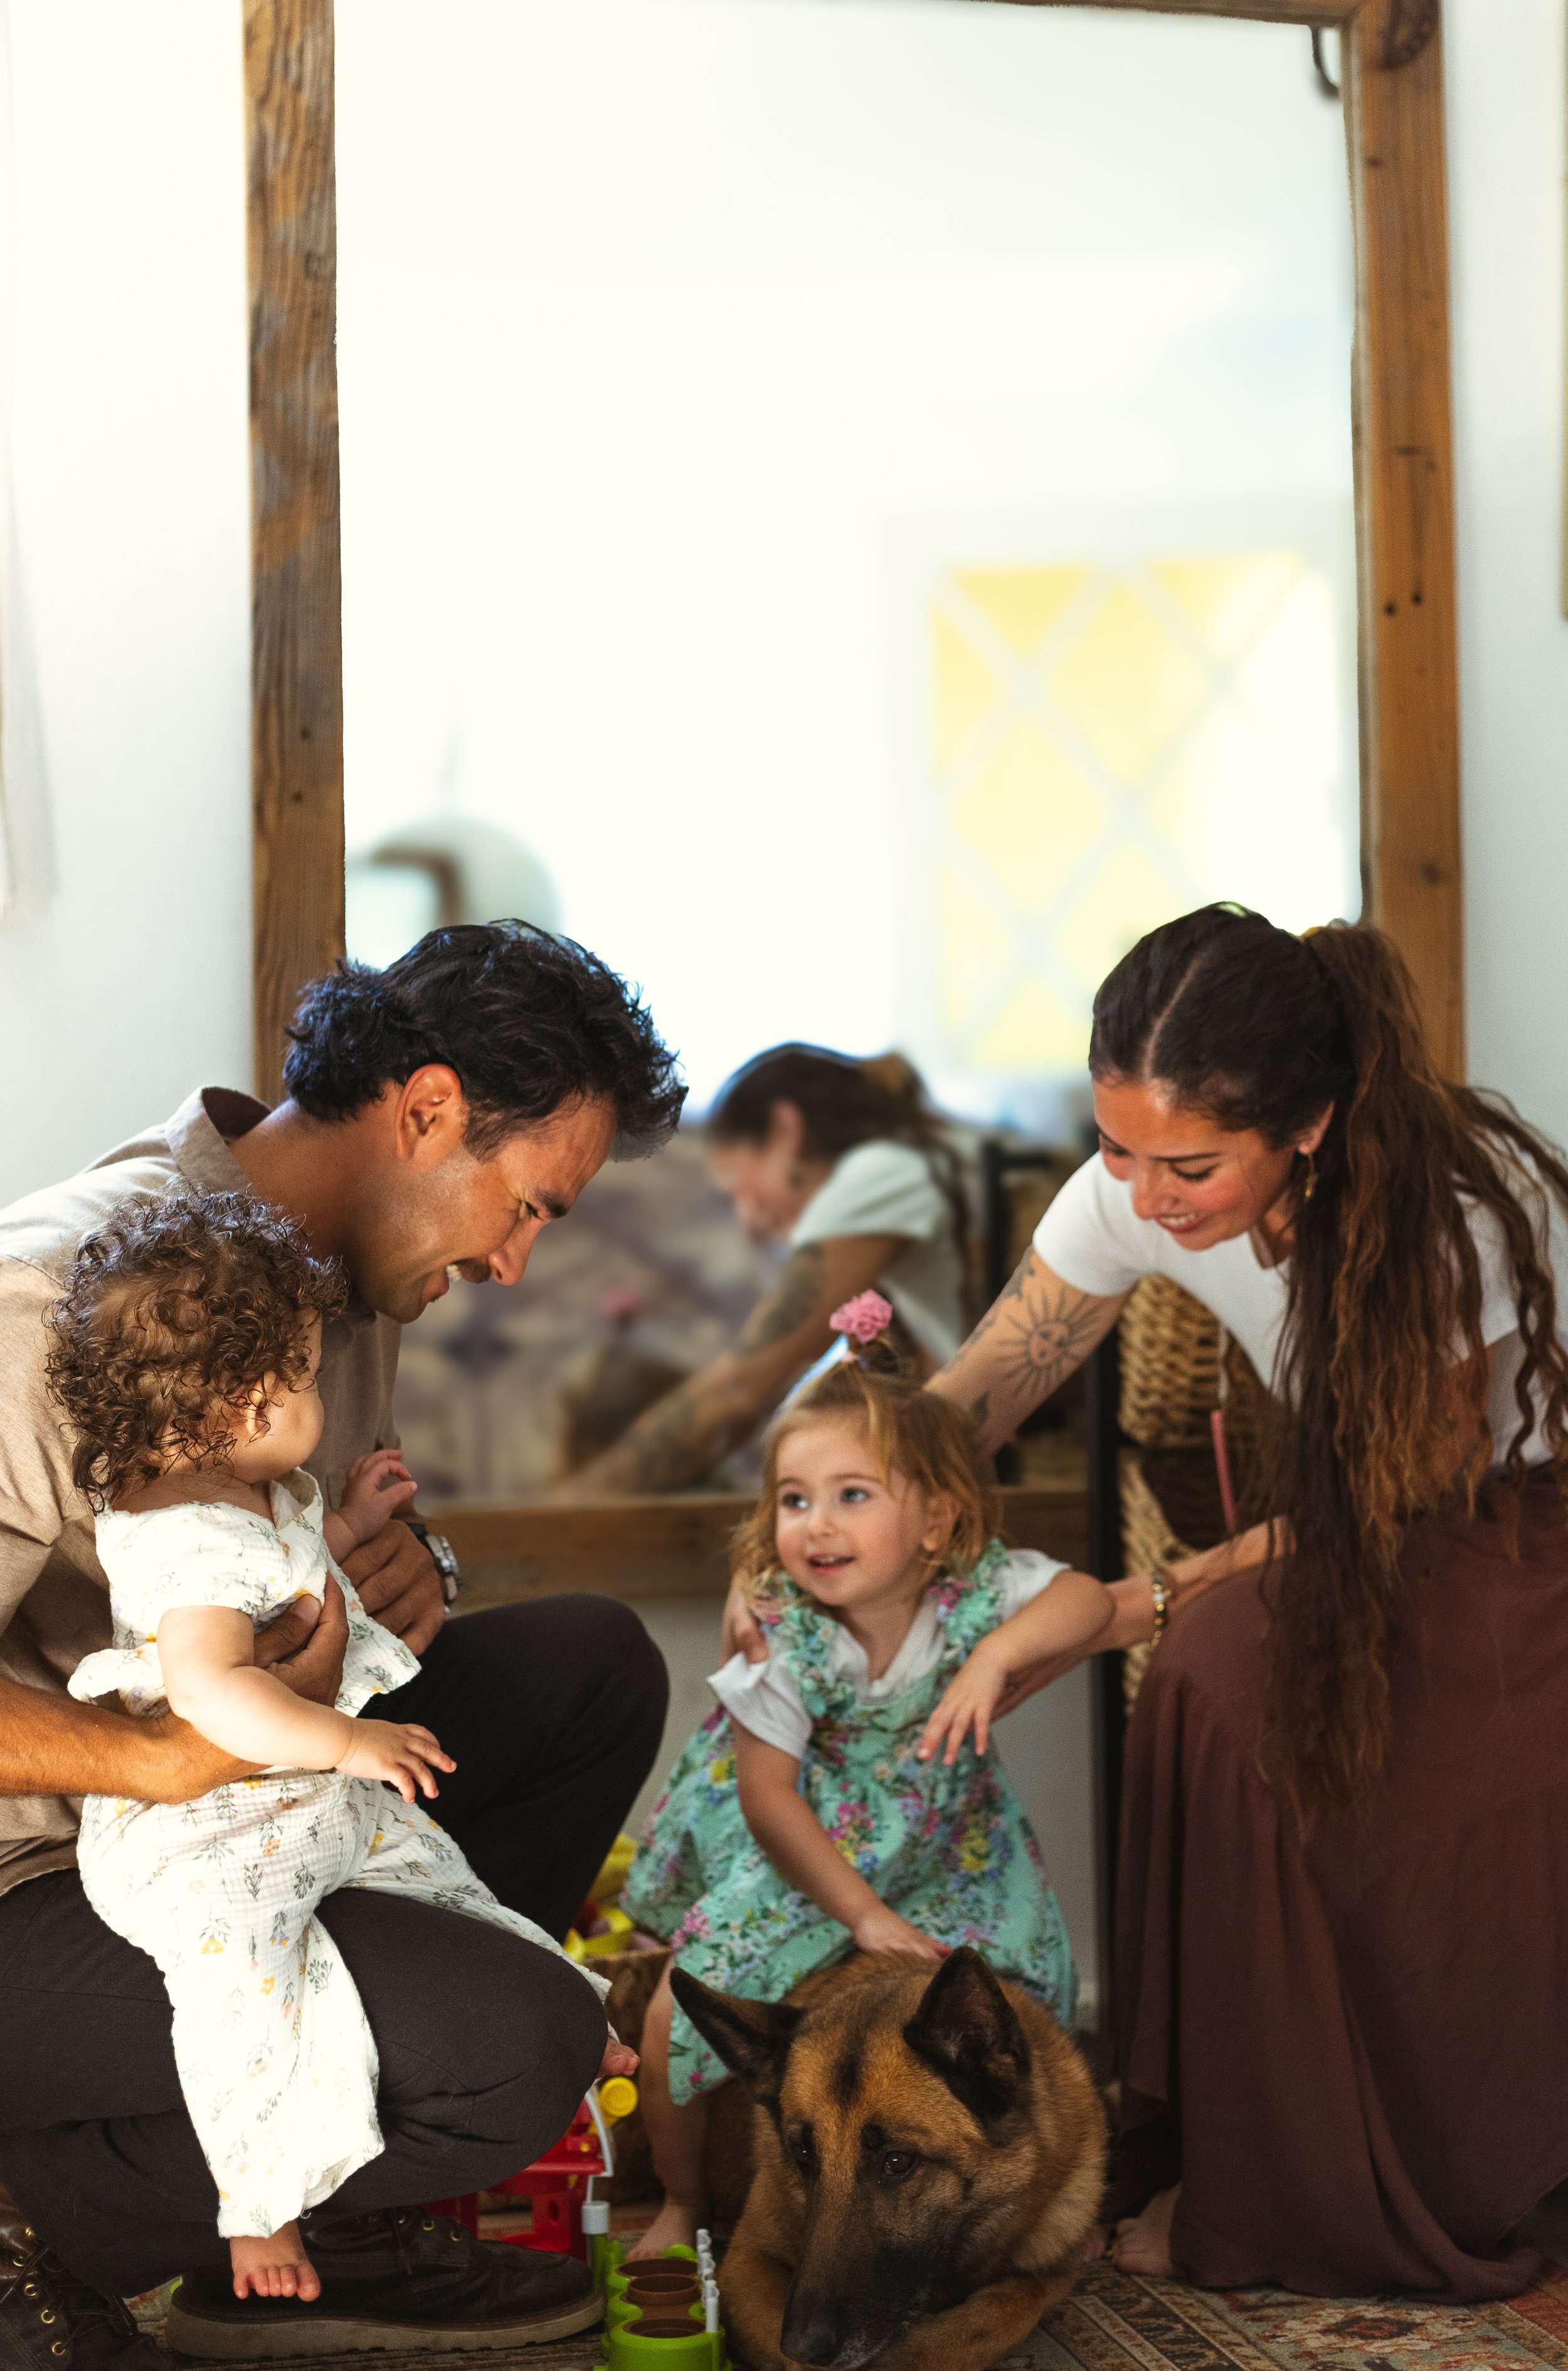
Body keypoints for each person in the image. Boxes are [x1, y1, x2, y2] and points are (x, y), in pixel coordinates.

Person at [0, 921, 681, 2365]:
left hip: (251, 1796)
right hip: (50, 1869)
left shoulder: (343, 1276)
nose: (513, 1263)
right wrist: (164, 1756)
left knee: (591, 1669)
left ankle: (324, 2192)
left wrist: (411, 1571)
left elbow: (297, 1548)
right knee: (517, 2049)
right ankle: (38, 2209)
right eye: (528, 1207)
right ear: (426, 1110)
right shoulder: (58, 1294)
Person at [912, 902, 1568, 2303]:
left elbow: (1389, 1501)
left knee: (1213, 1669)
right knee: (1210, 1672)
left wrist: (1120, 1607)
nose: (1145, 1197)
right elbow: (980, 1393)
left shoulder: (1447, 1216)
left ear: (1308, 1126)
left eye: (1189, 1167)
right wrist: (825, 1526)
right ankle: (1220, 2145)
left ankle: (1295, 2192)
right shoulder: (1138, 1183)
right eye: (1116, 1150)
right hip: (1370, 1533)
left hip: (1515, 1537)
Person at [47, 1192, 635, 2306]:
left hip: (299, 1802)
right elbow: (214, 1691)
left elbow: (296, 1567)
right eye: (310, 1378)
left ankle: (571, 2004)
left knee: (441, 1876)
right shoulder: (184, 1541)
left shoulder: (245, 1487)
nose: (321, 1397)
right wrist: (348, 1739)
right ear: (244, 1402)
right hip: (205, 1845)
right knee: (257, 1998)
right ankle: (257, 2206)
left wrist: (354, 1524)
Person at [622, 1302, 1113, 2257]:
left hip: (953, 1850)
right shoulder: (785, 1637)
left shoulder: (972, 1594)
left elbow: (1088, 1599)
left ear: (936, 1519)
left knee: (1017, 2005)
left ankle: (1037, 2195)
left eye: (852, 1495)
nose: (817, 1526)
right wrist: (863, 1916)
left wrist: (996, 1656)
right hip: (810, 1861)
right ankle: (681, 2201)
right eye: (793, 1500)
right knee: (676, 2010)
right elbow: (769, 1798)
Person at [556, 1043, 970, 1497]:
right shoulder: (908, 1169)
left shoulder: (878, 1174)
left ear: (784, 1131)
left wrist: (573, 1504)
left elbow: (742, 1385)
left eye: (740, 1189)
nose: (750, 1225)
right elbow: (763, 1393)